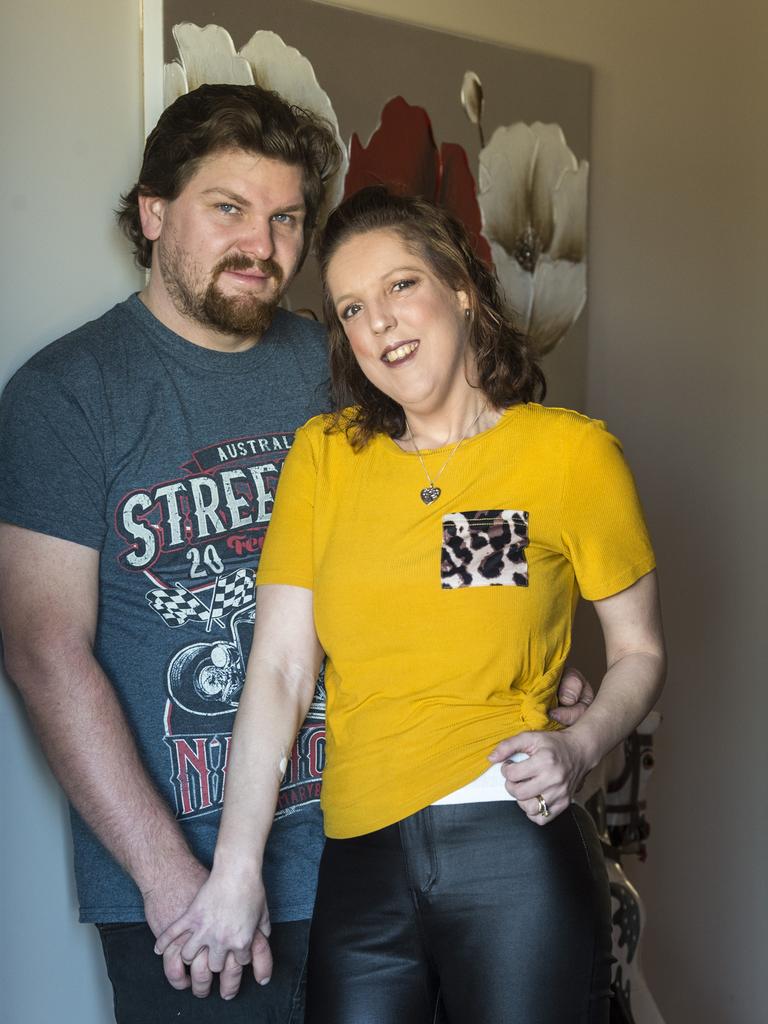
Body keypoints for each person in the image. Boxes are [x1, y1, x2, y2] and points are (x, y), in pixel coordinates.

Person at [154, 186, 666, 1023]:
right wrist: (235, 870)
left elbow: (641, 653)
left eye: (400, 287)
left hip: (515, 849)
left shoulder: (568, 454)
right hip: (360, 861)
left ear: (461, 288)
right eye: (353, 308)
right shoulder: (324, 459)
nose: (381, 324)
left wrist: (582, 747)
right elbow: (280, 670)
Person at [0, 83, 341, 1022]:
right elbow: (42, 649)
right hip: (187, 886)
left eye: (286, 219)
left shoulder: (336, 370)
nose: (263, 247)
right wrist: (165, 878)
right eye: (228, 208)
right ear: (154, 214)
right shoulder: (66, 394)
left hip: (375, 851)